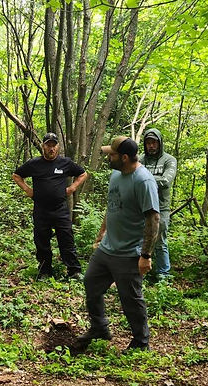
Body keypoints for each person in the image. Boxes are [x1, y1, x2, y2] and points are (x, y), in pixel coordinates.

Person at [76, 136, 160, 352]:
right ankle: (100, 328)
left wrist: (146, 255)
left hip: (129, 252)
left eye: (111, 155)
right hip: (107, 248)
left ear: (124, 157)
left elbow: (153, 219)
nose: (108, 158)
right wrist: (101, 232)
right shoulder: (116, 175)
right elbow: (112, 205)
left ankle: (141, 343)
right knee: (91, 283)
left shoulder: (143, 181)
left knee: (131, 299)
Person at [12, 132, 88, 280]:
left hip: (60, 209)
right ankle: (45, 271)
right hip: (41, 209)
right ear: (43, 146)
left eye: (54, 145)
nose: (51, 149)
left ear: (58, 147)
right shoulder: (34, 164)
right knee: (42, 241)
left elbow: (83, 174)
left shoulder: (65, 163)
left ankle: (74, 271)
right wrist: (28, 189)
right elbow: (16, 175)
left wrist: (72, 188)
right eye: (48, 145)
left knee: (66, 239)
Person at [141, 128, 177, 279]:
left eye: (154, 142)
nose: (151, 146)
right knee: (139, 238)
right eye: (148, 143)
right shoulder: (141, 159)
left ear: (159, 143)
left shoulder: (169, 160)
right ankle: (139, 270)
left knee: (160, 238)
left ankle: (163, 273)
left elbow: (166, 181)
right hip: (142, 205)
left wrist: (144, 178)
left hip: (161, 206)